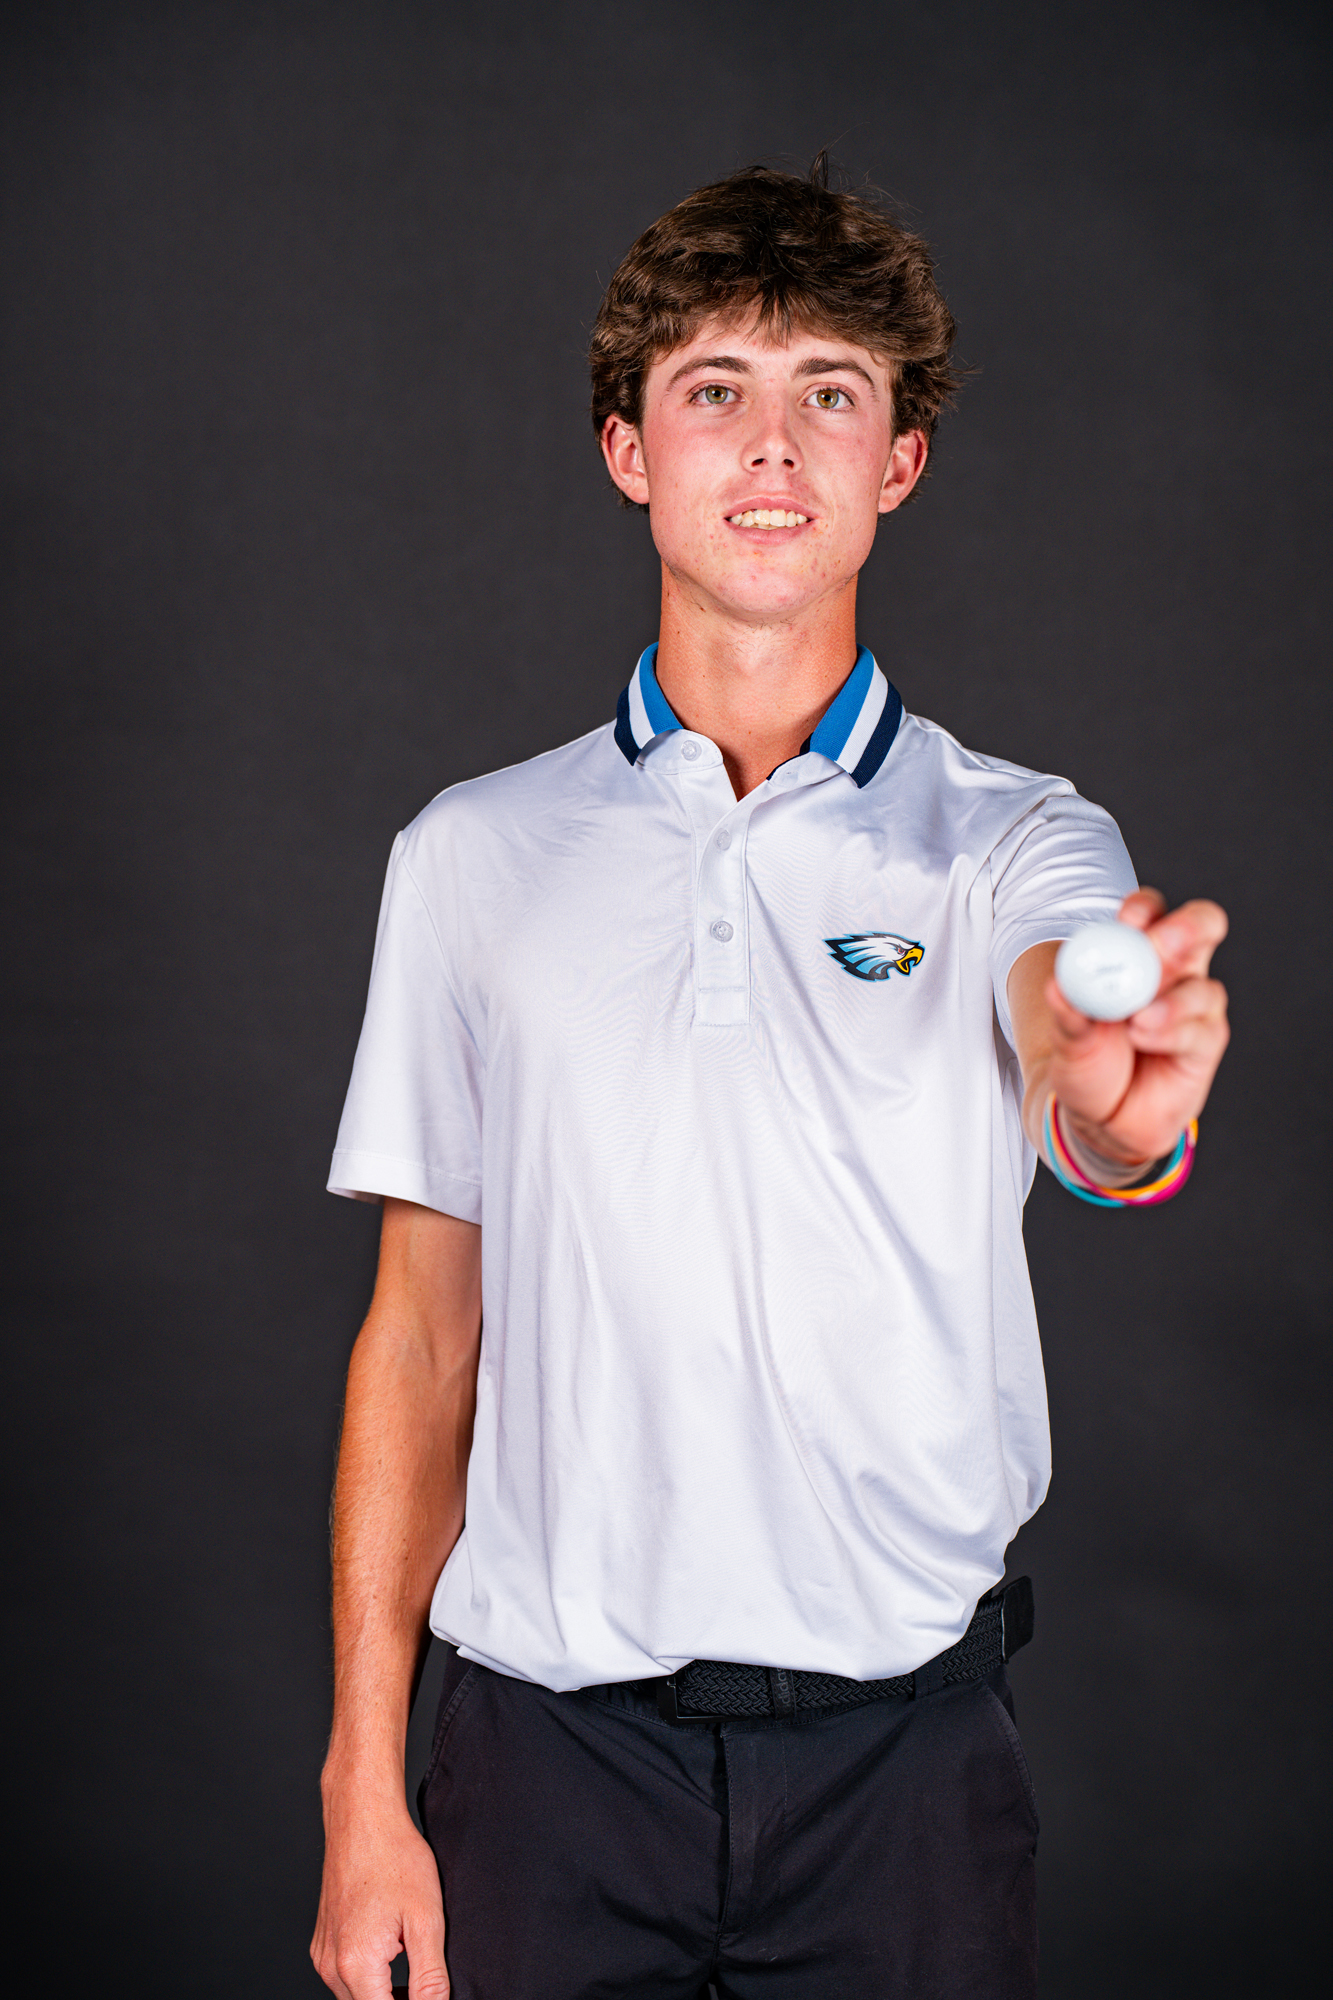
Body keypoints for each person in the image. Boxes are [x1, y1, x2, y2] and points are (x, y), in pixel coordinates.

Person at [310, 162, 1229, 2000]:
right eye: (713, 389)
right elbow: (418, 1339)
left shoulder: (1015, 839)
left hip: (904, 1771)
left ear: (897, 462)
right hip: (544, 1762)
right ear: (627, 451)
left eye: (831, 393)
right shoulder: (470, 855)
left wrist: (1119, 1108)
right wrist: (359, 1789)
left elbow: (1077, 1050)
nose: (771, 445)